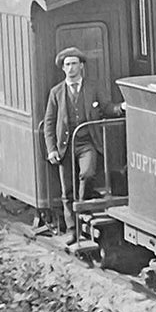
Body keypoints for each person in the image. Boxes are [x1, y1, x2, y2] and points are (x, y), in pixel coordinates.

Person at [42, 47, 112, 231]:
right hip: (65, 146)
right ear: (63, 69)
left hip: (87, 143)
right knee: (67, 191)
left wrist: (122, 107)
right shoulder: (56, 92)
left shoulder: (93, 87)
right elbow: (49, 123)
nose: (71, 68)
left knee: (88, 174)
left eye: (74, 64)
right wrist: (51, 149)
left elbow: (107, 108)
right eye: (67, 65)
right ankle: (73, 229)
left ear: (81, 66)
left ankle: (82, 209)